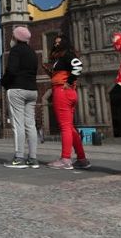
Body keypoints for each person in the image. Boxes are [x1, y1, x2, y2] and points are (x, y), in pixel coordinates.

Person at [45, 34, 91, 170]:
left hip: (62, 91)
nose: (56, 44)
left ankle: (65, 158)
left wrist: (69, 82)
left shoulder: (67, 55)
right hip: (68, 92)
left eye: (59, 42)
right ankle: (81, 158)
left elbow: (78, 65)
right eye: (55, 42)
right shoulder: (61, 57)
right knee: (70, 127)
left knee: (65, 126)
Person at [0, 26, 39, 169]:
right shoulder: (32, 52)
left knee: (18, 124)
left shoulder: (15, 50)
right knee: (31, 124)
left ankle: (19, 157)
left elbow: (11, 70)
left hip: (17, 88)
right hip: (32, 90)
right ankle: (33, 158)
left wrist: (4, 82)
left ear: (16, 38)